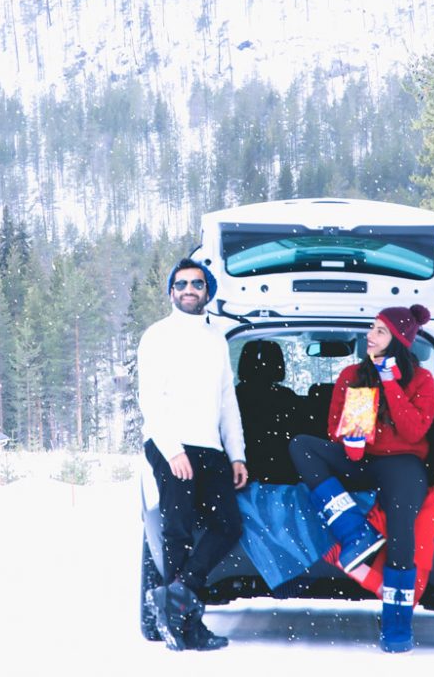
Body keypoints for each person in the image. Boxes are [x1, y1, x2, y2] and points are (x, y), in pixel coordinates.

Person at [288, 304, 434, 654]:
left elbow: (414, 431)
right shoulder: (353, 375)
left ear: (399, 340)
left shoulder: (422, 380)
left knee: (402, 528)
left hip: (403, 461)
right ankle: (354, 531)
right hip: (364, 459)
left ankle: (398, 622)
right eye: (372, 328)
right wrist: (351, 442)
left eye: (380, 331)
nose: (370, 335)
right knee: (302, 447)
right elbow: (335, 430)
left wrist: (389, 383)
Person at [137, 258, 249, 652]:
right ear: (171, 292)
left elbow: (226, 401)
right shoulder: (157, 335)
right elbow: (149, 398)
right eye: (181, 283)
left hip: (209, 446)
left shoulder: (217, 339)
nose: (188, 289)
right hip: (170, 445)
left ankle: (180, 593)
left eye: (196, 284)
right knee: (178, 530)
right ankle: (188, 625)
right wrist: (172, 452)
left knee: (227, 525)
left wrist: (237, 455)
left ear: (207, 292)